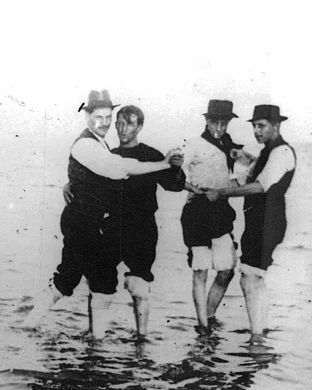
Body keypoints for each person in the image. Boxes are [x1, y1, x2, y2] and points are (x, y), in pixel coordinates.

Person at [24, 90, 180, 337]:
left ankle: (87, 342)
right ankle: (40, 328)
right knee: (82, 280)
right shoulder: (87, 143)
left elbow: (95, 176)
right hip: (82, 222)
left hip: (91, 223)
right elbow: (117, 169)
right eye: (100, 117)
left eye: (109, 117)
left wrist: (71, 184)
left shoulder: (100, 143)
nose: (106, 123)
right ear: (87, 117)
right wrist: (163, 165)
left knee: (89, 281)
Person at [64, 105, 185, 336]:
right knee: (100, 287)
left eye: (129, 123)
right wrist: (70, 184)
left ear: (139, 126)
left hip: (142, 229)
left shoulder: (151, 155)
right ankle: (95, 341)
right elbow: (89, 177)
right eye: (118, 122)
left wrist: (176, 168)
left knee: (138, 287)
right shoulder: (109, 154)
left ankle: (141, 339)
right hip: (111, 227)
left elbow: (174, 185)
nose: (122, 128)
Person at [203, 105, 295, 336]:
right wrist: (244, 160)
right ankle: (259, 331)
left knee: (250, 278)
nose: (256, 131)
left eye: (261, 125)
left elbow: (259, 186)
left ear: (276, 126)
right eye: (254, 126)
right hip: (260, 221)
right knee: (254, 277)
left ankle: (256, 336)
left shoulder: (281, 151)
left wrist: (220, 193)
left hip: (268, 221)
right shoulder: (268, 152)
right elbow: (244, 179)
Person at [180, 100, 245, 330]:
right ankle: (203, 325)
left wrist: (231, 184)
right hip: (197, 210)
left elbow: (246, 173)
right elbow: (176, 173)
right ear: (206, 121)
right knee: (200, 269)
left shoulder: (231, 146)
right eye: (214, 122)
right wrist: (194, 189)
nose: (219, 127)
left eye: (223, 123)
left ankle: (209, 313)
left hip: (221, 210)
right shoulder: (195, 144)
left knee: (227, 269)